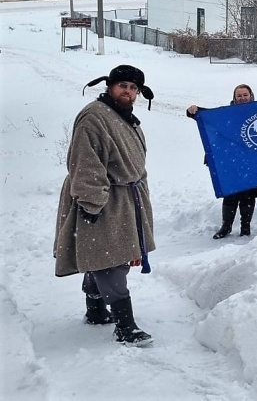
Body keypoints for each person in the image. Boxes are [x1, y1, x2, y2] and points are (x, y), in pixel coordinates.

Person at [54, 65, 156, 347]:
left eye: (134, 88)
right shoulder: (94, 117)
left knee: (103, 254)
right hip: (103, 197)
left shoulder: (125, 118)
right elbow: (84, 162)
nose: (128, 91)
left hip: (125, 197)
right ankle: (125, 326)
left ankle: (96, 309)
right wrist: (91, 201)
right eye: (123, 85)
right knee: (111, 260)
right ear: (110, 86)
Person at [187, 84, 257, 238]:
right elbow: (208, 118)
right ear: (234, 98)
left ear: (251, 95)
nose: (242, 98)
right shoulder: (226, 113)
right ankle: (226, 226)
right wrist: (194, 110)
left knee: (249, 196)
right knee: (231, 195)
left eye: (245, 95)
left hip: (251, 161)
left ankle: (245, 228)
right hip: (231, 161)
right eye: (239, 95)